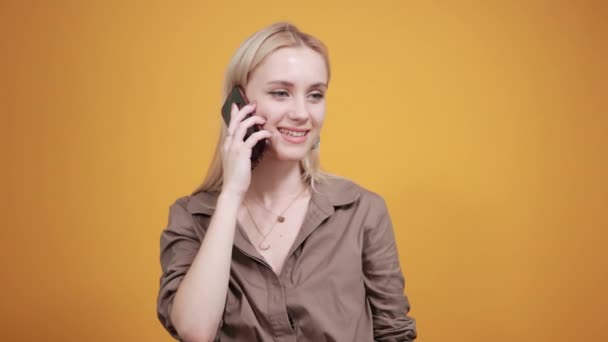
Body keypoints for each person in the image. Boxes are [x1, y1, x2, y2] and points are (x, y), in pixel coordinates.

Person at [157, 22, 417, 342]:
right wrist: (231, 194)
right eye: (281, 93)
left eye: (315, 95)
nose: (301, 113)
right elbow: (195, 331)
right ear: (237, 104)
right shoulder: (191, 217)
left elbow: (394, 332)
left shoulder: (362, 211)